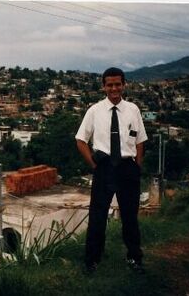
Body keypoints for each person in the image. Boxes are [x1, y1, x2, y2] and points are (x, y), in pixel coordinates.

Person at [75, 67, 148, 274]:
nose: (114, 88)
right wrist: (94, 165)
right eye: (110, 84)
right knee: (97, 217)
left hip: (127, 168)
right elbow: (80, 140)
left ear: (124, 85)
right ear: (103, 87)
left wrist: (137, 165)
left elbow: (140, 140)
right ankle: (92, 261)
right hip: (104, 167)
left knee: (130, 216)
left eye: (118, 84)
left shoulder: (133, 109)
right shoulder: (94, 111)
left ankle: (135, 258)